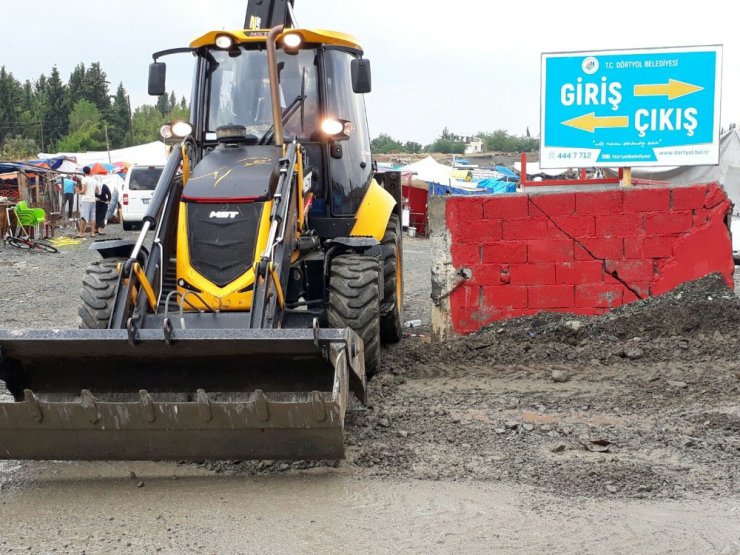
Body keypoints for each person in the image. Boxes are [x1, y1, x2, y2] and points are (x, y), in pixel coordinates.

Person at [77, 167, 98, 238]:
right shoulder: (94, 180)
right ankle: (92, 233)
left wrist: (78, 191)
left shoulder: (84, 179)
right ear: (90, 171)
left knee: (83, 216)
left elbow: (83, 191)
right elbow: (97, 191)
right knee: (93, 217)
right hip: (93, 199)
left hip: (86, 200)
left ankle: (81, 233)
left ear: (84, 172)